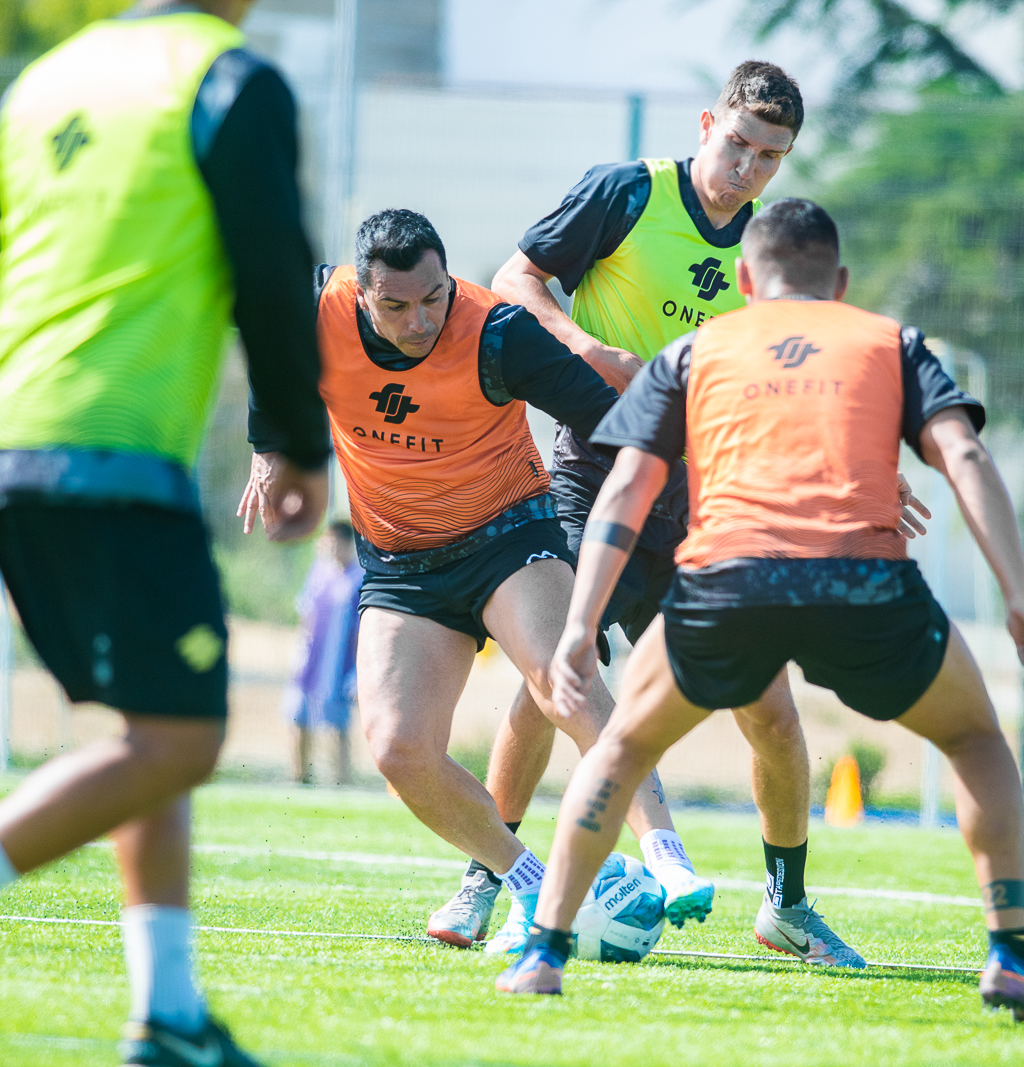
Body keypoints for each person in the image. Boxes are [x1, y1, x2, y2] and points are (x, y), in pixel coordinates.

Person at [0, 1, 328, 1063]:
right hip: (114, 454)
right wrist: (295, 440)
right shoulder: (229, 81)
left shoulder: (50, 78)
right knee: (182, 737)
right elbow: (274, 273)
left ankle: (170, 1013)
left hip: (10, 445)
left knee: (154, 724)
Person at [498, 198, 1024, 1029]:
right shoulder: (889, 341)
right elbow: (966, 454)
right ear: (838, 283)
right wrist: (1019, 592)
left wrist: (581, 622)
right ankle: (1010, 953)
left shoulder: (697, 348)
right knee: (977, 739)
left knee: (618, 748)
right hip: (863, 587)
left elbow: (627, 483)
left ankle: (545, 952)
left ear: (741, 280)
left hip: (729, 585)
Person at [464, 59, 923, 967]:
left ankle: (787, 903)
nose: (748, 168)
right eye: (739, 144)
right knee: (549, 679)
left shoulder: (763, 256)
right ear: (707, 122)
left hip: (708, 497)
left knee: (772, 711)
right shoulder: (627, 195)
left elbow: (792, 376)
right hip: (591, 474)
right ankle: (488, 880)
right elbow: (513, 278)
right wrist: (589, 349)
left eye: (771, 157)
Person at [240, 209, 713, 955]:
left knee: (567, 680)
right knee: (398, 748)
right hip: (400, 564)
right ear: (361, 294)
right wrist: (269, 447)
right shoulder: (315, 309)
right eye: (395, 305)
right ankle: (525, 884)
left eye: (433, 296)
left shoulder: (497, 331)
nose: (421, 317)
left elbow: (609, 417)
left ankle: (667, 856)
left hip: (506, 538)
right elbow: (272, 348)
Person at [282, 522, 362, 786]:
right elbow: (306, 612)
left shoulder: (358, 579)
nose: (332, 548)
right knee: (296, 716)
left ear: (348, 544)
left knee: (337, 726)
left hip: (339, 666)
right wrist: (298, 649)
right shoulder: (319, 572)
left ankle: (342, 780)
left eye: (337, 543)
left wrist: (359, 672)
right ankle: (299, 777)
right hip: (310, 662)